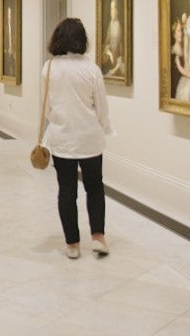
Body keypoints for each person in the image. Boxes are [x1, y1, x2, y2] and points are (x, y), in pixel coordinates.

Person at [42, 18, 114, 259]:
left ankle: (72, 244)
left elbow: (47, 108)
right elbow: (101, 106)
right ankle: (98, 237)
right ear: (82, 40)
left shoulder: (49, 68)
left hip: (62, 139)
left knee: (67, 191)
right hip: (90, 139)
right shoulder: (91, 69)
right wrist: (105, 128)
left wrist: (58, 122)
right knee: (95, 188)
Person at [101, 0, 124, 77]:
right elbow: (106, 47)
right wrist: (110, 54)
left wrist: (115, 68)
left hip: (118, 63)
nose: (112, 11)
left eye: (114, 8)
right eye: (111, 8)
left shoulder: (120, 27)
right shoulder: (110, 26)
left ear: (117, 11)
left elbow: (122, 53)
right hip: (110, 62)